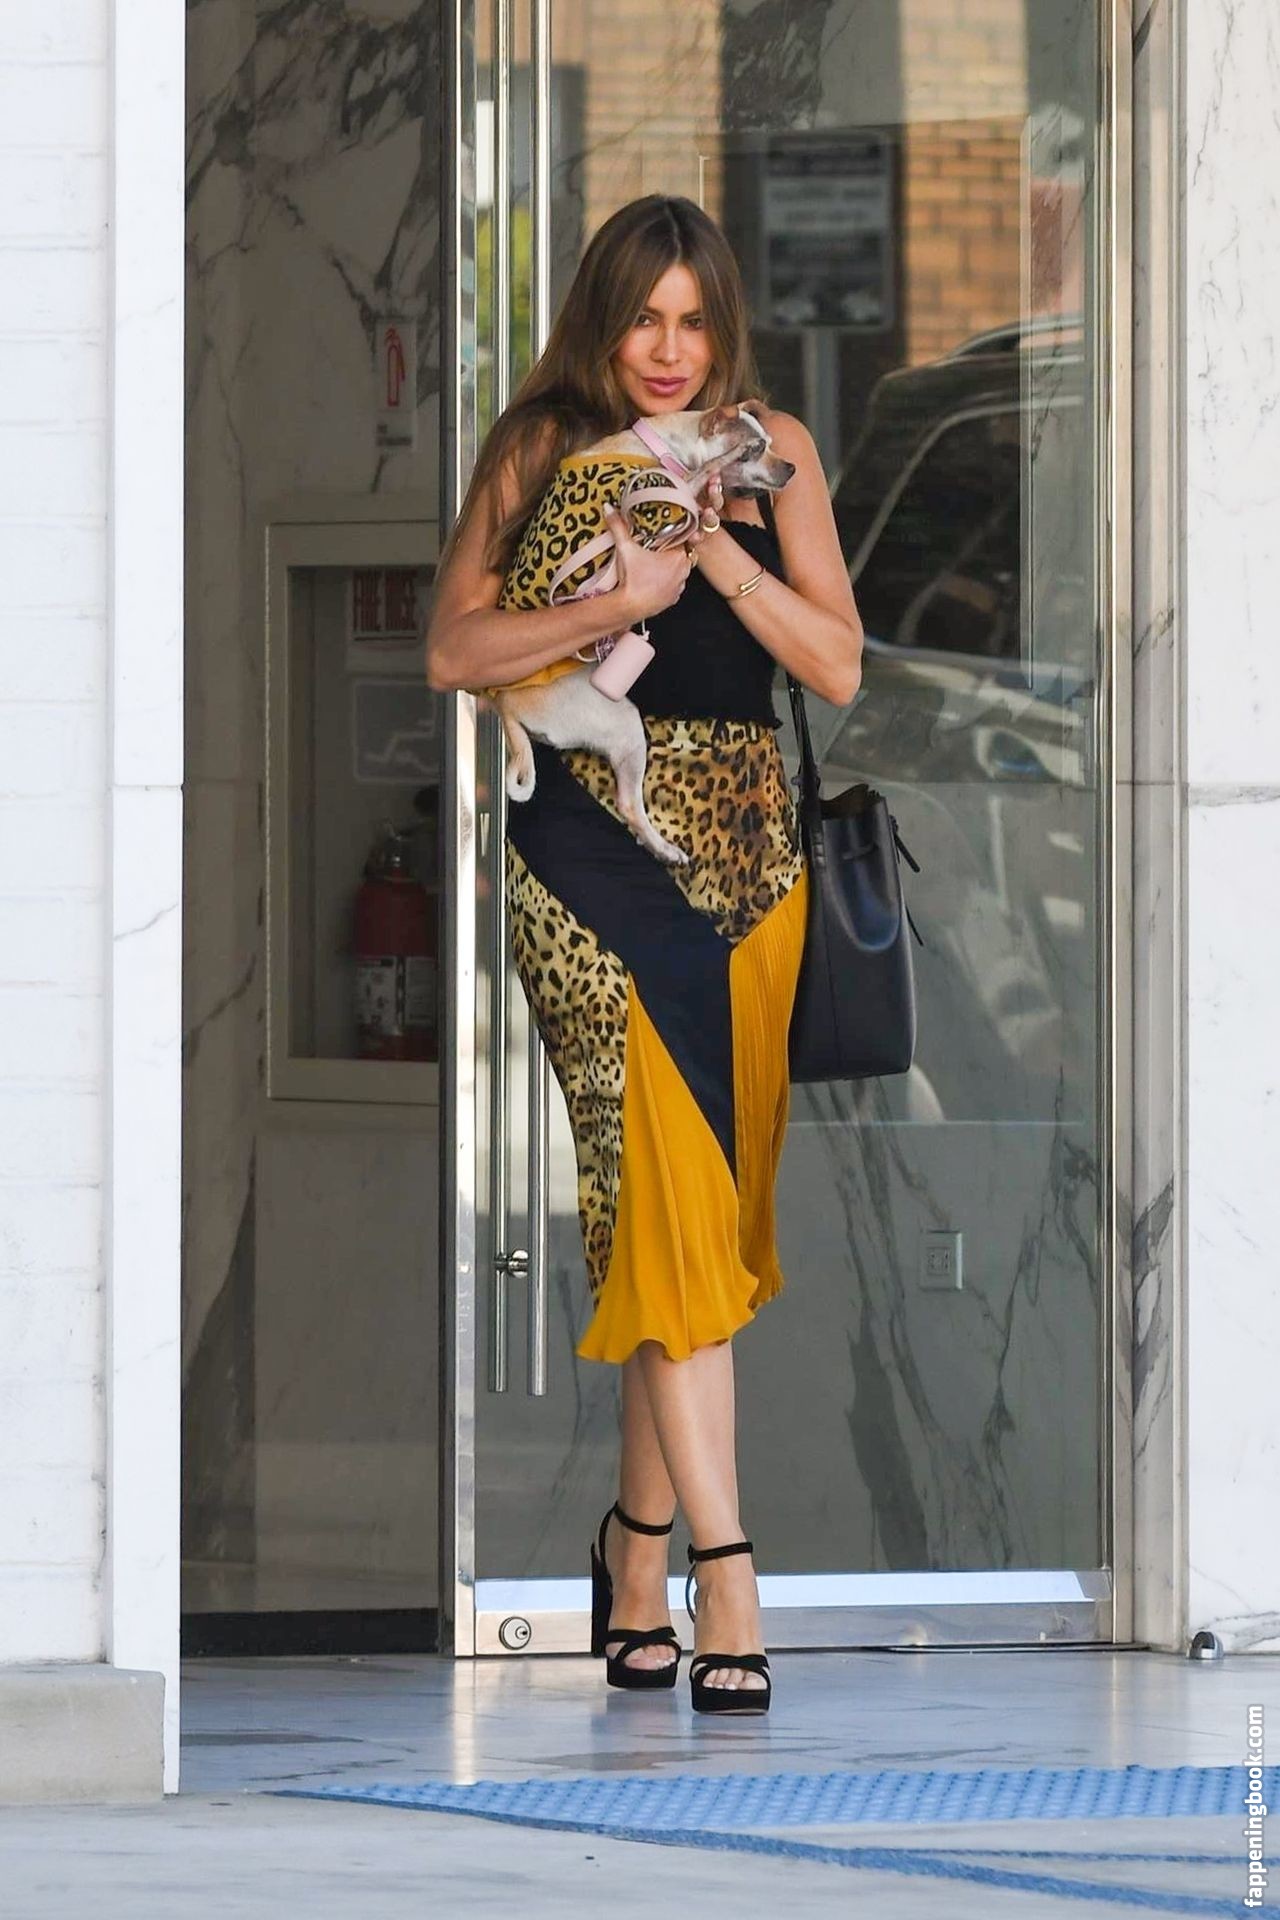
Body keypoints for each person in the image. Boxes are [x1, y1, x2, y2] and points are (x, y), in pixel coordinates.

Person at [426, 194, 862, 1713]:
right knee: (669, 1205)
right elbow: (454, 650)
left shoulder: (773, 453)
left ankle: (633, 1551)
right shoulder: (544, 449)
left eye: (693, 321)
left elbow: (839, 664)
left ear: (720, 325)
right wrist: (619, 595)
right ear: (601, 323)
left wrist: (719, 559)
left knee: (687, 1225)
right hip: (591, 864)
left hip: (750, 873)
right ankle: (727, 1578)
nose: (668, 350)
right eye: (642, 320)